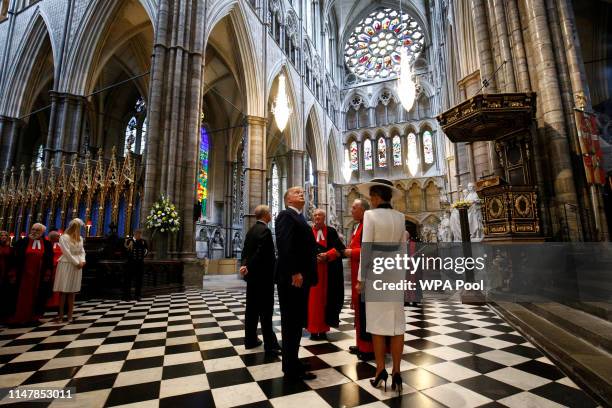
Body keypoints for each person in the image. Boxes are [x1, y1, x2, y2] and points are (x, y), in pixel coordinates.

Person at [357, 178, 407, 394]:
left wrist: (361, 279)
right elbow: (403, 249)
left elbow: (366, 248)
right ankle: (396, 371)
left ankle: (380, 371)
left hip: (376, 274)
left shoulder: (370, 215)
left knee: (377, 326)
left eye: (371, 198)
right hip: (395, 273)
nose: (370, 201)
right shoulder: (400, 216)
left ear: (376, 197)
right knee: (397, 325)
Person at [275, 186, 318, 381]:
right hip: (294, 279)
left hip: (301, 278)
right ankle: (290, 368)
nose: (301, 193)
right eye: (296, 192)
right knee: (291, 323)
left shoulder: (299, 217)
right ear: (288, 200)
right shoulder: (286, 215)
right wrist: (294, 272)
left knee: (296, 323)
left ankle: (293, 359)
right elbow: (285, 245)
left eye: (302, 192)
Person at [240, 205, 281, 355]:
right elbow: (262, 254)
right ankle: (270, 345)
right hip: (263, 279)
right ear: (265, 215)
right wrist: (249, 266)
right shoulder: (265, 231)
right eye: (270, 212)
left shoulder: (251, 230)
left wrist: (244, 266)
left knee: (251, 310)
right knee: (265, 312)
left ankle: (250, 340)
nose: (271, 214)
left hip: (251, 279)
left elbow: (245, 251)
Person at [307, 208, 345, 340]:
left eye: (320, 215)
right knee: (312, 302)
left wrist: (327, 255)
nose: (317, 217)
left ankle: (323, 329)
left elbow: (341, 249)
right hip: (312, 272)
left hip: (328, 273)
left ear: (324, 217)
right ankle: (312, 329)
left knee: (325, 301)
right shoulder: (307, 231)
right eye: (315, 215)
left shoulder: (330, 231)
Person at [343, 199, 374, 361]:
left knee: (365, 313)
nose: (351, 210)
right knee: (359, 313)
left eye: (354, 208)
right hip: (357, 273)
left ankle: (368, 348)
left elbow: (370, 250)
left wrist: (351, 253)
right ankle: (360, 343)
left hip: (365, 275)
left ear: (363, 210)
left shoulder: (367, 225)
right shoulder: (358, 225)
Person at [8, 223, 53, 325]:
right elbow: (14, 259)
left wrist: (47, 273)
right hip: (23, 274)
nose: (34, 232)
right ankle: (20, 316)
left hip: (39, 274)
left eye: (37, 230)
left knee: (38, 295)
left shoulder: (47, 244)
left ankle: (34, 316)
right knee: (21, 295)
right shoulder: (22, 242)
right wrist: (13, 273)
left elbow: (49, 259)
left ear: (42, 232)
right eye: (33, 229)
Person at [53, 219, 86, 323]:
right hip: (67, 264)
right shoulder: (64, 237)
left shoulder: (80, 238)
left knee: (72, 291)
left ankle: (70, 315)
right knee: (64, 291)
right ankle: (61, 316)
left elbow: (82, 251)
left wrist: (83, 261)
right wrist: (77, 262)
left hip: (77, 266)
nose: (78, 230)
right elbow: (66, 251)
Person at [124, 229, 148, 300]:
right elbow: (125, 251)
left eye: (140, 234)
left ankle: (137, 295)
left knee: (139, 280)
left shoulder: (143, 241)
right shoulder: (128, 241)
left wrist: (143, 256)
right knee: (128, 280)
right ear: (135, 234)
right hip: (130, 264)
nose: (139, 236)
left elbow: (146, 251)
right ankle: (127, 296)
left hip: (140, 263)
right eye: (138, 234)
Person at [0, 230, 16, 322]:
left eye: (5, 235)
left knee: (4, 294)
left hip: (6, 273)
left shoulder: (10, 248)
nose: (4, 236)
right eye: (1, 235)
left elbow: (13, 262)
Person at [45, 230, 62, 310]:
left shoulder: (62, 243)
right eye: (57, 236)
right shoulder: (47, 243)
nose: (59, 237)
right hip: (50, 266)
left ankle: (56, 302)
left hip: (59, 266)